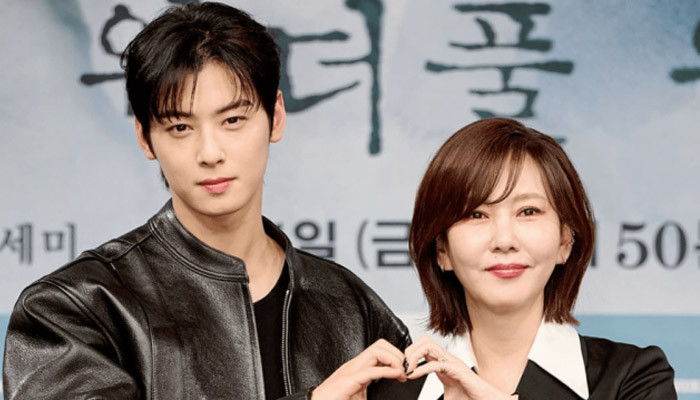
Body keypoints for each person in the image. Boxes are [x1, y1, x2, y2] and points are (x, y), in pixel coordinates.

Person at [2, 2, 423, 399]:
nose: (210, 152)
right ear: (145, 137)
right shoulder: (75, 308)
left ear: (275, 116)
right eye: (180, 128)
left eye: (233, 120)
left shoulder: (349, 306)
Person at [403, 118, 676, 399]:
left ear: (565, 240)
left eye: (528, 211)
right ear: (442, 250)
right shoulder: (395, 392)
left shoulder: (634, 379)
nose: (504, 241)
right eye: (476, 214)